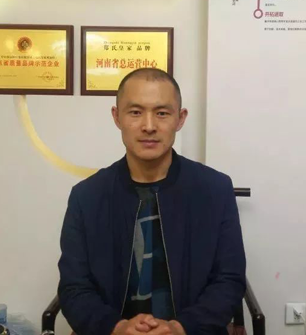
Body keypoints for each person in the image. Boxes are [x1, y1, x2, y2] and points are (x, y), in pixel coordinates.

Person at [58, 69, 246, 335]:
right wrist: (118, 327)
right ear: (117, 117)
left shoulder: (215, 189)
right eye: (135, 112)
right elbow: (74, 288)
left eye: (162, 113)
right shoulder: (87, 196)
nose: (149, 126)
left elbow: (229, 280)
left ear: (180, 118)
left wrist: (179, 328)